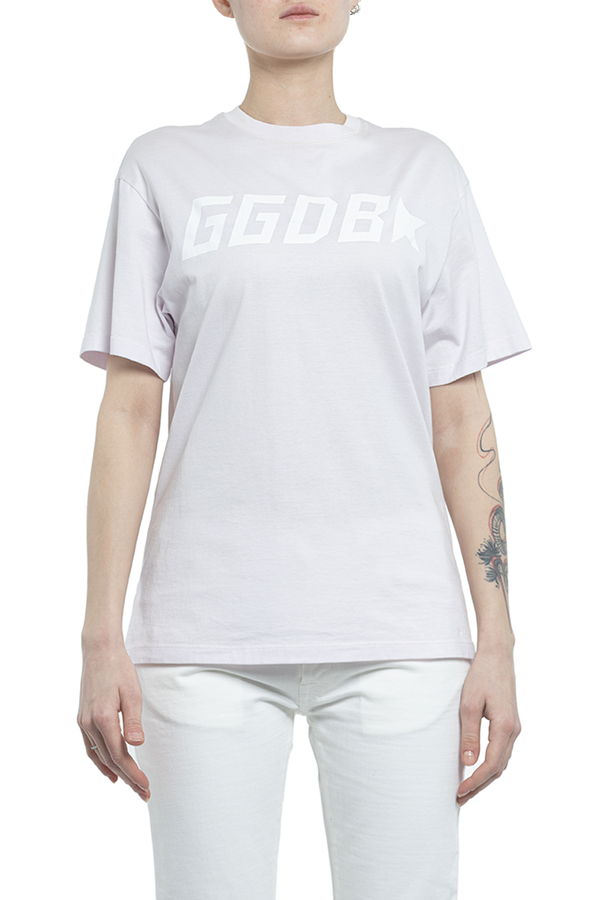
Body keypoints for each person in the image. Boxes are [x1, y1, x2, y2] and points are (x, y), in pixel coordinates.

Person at [77, 1, 531, 898]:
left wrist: (499, 637)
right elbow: (129, 411)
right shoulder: (161, 167)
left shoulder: (424, 170)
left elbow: (460, 418)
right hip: (204, 631)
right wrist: (100, 635)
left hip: (399, 628)